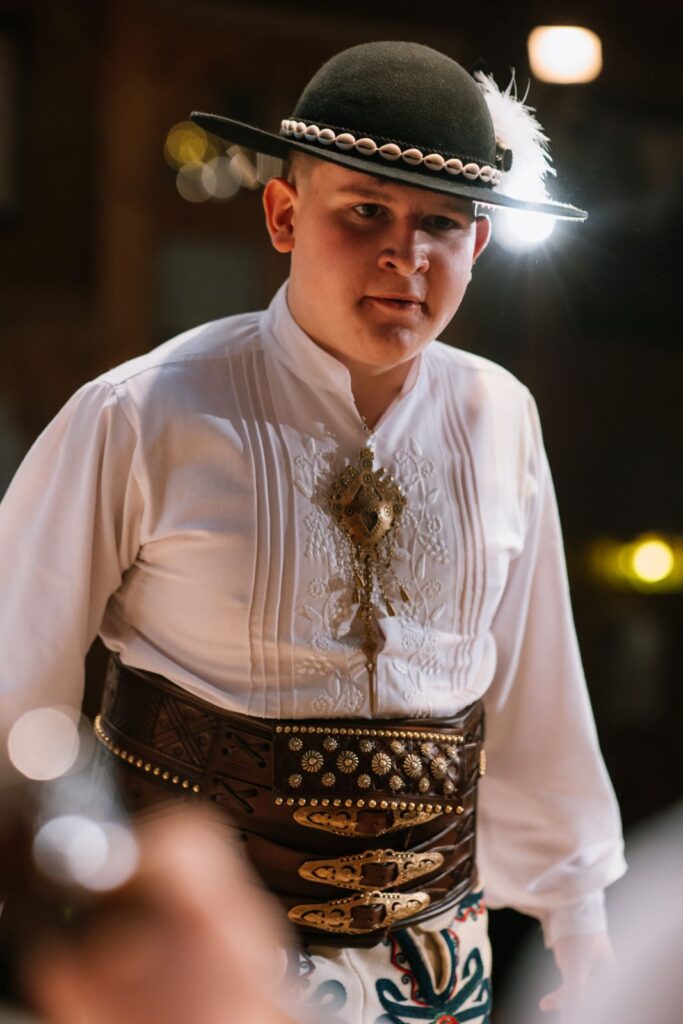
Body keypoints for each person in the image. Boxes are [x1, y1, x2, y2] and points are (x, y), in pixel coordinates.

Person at [0, 40, 626, 1024]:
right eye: (365, 211)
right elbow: (12, 673)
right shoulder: (140, 412)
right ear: (284, 214)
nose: (406, 256)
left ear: (478, 244)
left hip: (436, 969)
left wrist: (579, 928)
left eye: (440, 223)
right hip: (193, 967)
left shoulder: (501, 416)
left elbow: (535, 683)